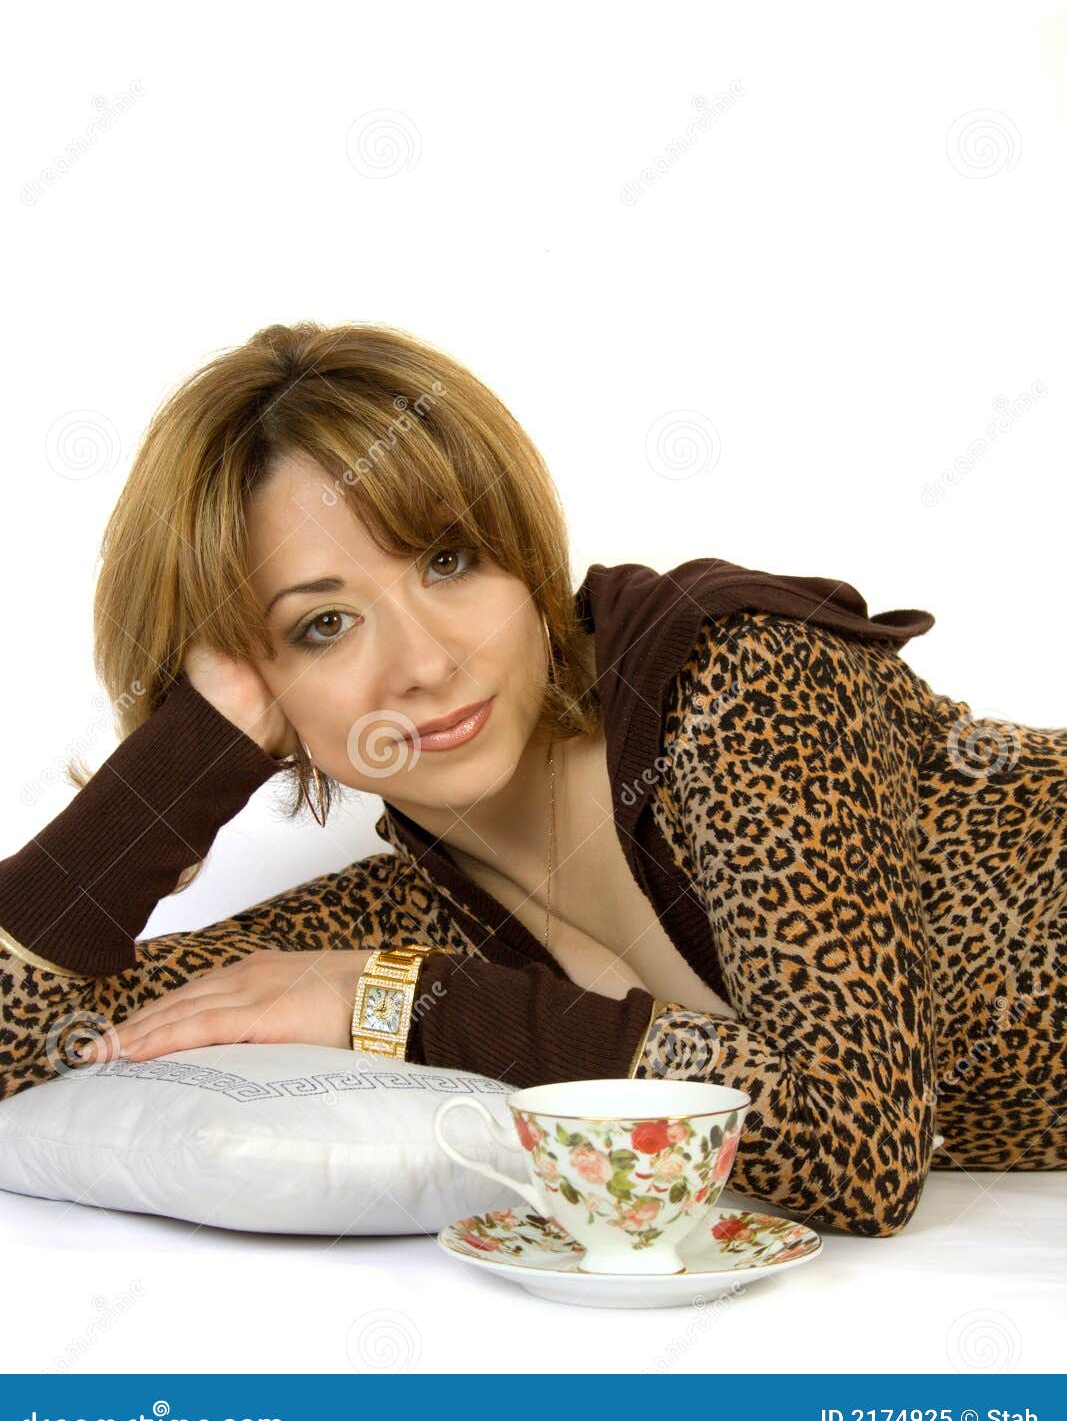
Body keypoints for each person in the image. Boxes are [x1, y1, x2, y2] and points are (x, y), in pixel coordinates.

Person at [0, 320, 1062, 1240]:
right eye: (323, 624)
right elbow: (28, 1039)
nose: (425, 663)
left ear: (520, 554)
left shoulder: (735, 682)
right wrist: (176, 764)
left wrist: (399, 1001)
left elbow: (858, 1153)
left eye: (448, 560)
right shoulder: (409, 914)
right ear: (255, 687)